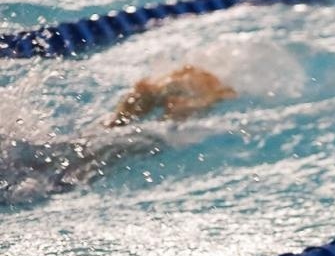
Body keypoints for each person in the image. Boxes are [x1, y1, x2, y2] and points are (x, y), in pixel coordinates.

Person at [1, 65, 234, 204]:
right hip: (38, 165)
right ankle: (164, 97)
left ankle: (175, 100)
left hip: (41, 171)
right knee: (97, 140)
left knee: (126, 139)